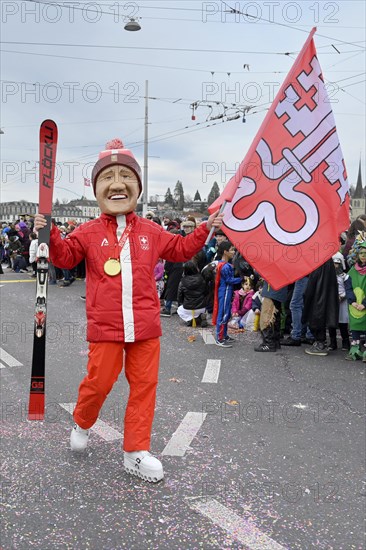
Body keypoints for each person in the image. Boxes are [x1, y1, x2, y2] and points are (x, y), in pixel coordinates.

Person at [34, 138, 223, 483]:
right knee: (99, 382)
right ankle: (83, 420)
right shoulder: (88, 231)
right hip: (105, 327)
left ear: (137, 186)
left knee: (144, 387)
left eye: (126, 176)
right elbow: (65, 257)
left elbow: (180, 250)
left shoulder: (152, 230)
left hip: (146, 327)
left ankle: (135, 452)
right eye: (108, 177)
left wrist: (205, 229)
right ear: (96, 188)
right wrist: (49, 232)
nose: (118, 184)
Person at [302, 259, 339, 357]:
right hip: (325, 294)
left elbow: (312, 284)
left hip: (318, 296)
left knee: (316, 317)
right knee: (321, 316)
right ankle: (321, 342)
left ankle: (320, 343)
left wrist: (307, 295)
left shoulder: (319, 261)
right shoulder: (328, 261)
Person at [212, 241, 242, 347]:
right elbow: (229, 280)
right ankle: (220, 338)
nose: (233, 252)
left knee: (226, 313)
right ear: (225, 252)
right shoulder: (225, 266)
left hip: (224, 291)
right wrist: (241, 279)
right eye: (232, 250)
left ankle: (224, 335)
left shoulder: (222, 264)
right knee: (223, 314)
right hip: (225, 292)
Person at [345, 241, 366, 361]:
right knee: (355, 327)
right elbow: (348, 288)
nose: (363, 255)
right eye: (361, 253)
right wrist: (352, 302)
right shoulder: (352, 271)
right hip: (354, 305)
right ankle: (355, 349)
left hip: (364, 304)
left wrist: (364, 304)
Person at [328, 252, 350, 351]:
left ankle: (346, 343)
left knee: (343, 323)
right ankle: (333, 343)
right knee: (331, 322)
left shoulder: (345, 276)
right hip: (331, 302)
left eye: (337, 263)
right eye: (333, 263)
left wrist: (342, 296)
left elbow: (348, 288)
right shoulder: (327, 277)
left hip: (342, 302)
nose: (335, 265)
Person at [177, 260, 208, 327]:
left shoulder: (182, 282)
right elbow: (206, 292)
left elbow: (179, 296)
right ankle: (201, 317)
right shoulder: (202, 279)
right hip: (201, 307)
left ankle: (190, 319)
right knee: (201, 310)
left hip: (187, 308)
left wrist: (182, 303)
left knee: (179, 310)